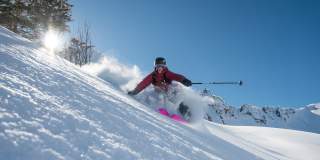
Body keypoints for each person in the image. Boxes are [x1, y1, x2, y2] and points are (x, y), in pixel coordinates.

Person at [128, 57, 192, 118]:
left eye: (162, 66)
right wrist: (135, 91)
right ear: (155, 67)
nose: (160, 68)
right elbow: (144, 83)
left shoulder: (167, 73)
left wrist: (184, 80)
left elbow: (176, 76)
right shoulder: (153, 76)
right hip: (159, 91)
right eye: (158, 66)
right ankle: (162, 109)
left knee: (175, 94)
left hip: (169, 90)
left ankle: (185, 112)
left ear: (164, 67)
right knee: (157, 96)